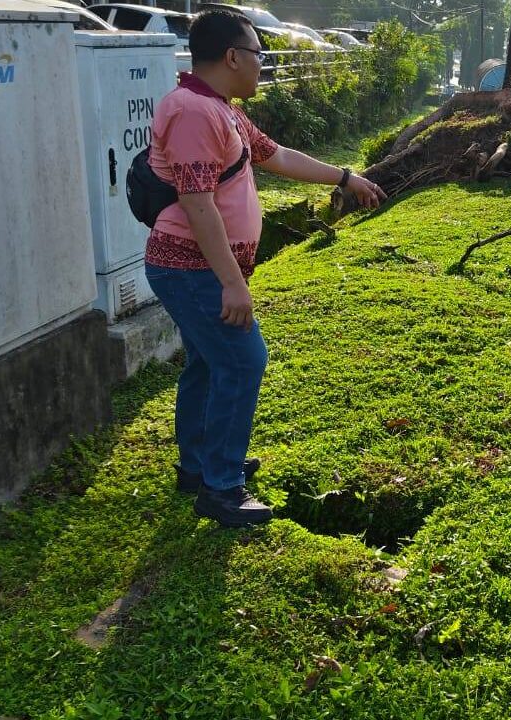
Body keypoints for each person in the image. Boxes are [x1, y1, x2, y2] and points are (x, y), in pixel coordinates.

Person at [145, 11, 386, 526]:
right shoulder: (193, 112)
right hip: (191, 268)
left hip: (198, 267)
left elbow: (278, 156)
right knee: (243, 360)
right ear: (232, 57)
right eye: (257, 53)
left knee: (208, 362)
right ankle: (221, 487)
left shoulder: (221, 110)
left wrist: (345, 177)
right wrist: (232, 283)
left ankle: (199, 465)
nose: (262, 63)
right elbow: (197, 204)